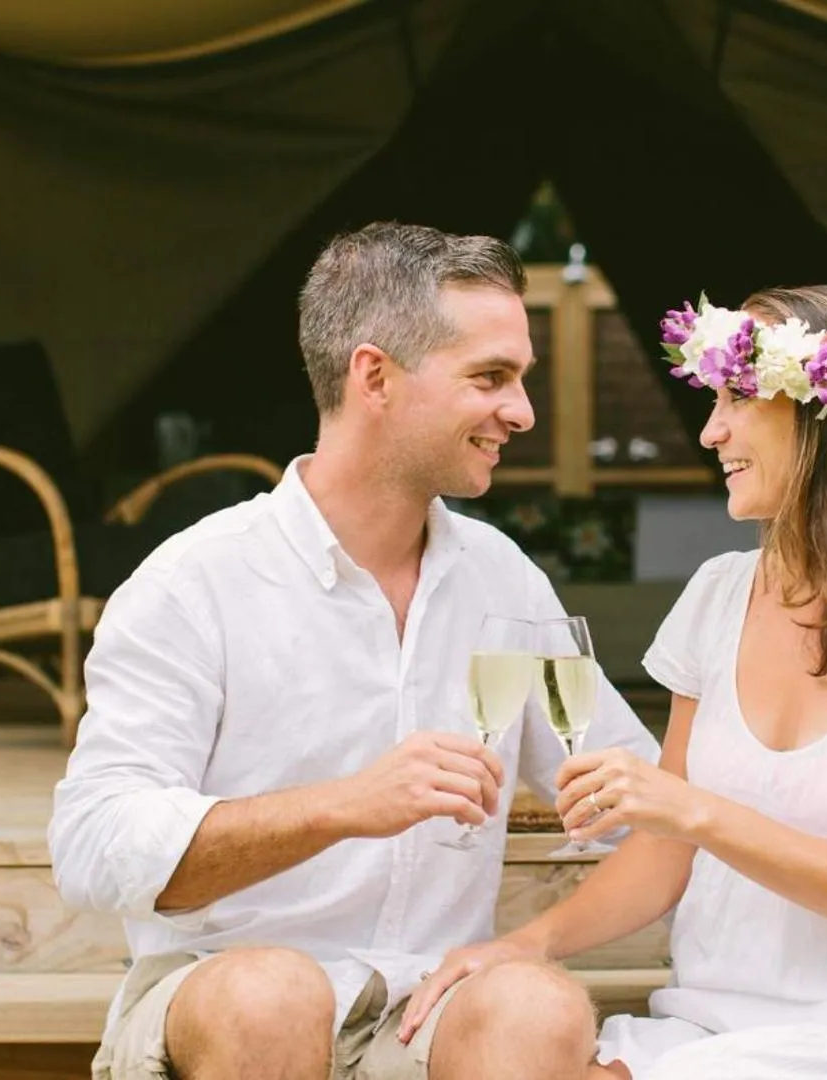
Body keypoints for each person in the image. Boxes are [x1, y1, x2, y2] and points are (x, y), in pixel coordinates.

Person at [48, 221, 661, 1080]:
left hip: (425, 1011)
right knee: (271, 996)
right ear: (375, 376)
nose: (522, 412)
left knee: (536, 1005)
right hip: (224, 998)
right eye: (491, 377)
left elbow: (633, 793)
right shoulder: (193, 582)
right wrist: (344, 805)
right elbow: (91, 844)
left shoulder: (505, 582)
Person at [401, 285, 827, 1079]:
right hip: (711, 1028)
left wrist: (697, 812)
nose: (712, 431)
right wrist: (521, 945)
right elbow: (664, 850)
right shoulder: (719, 593)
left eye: (738, 398)